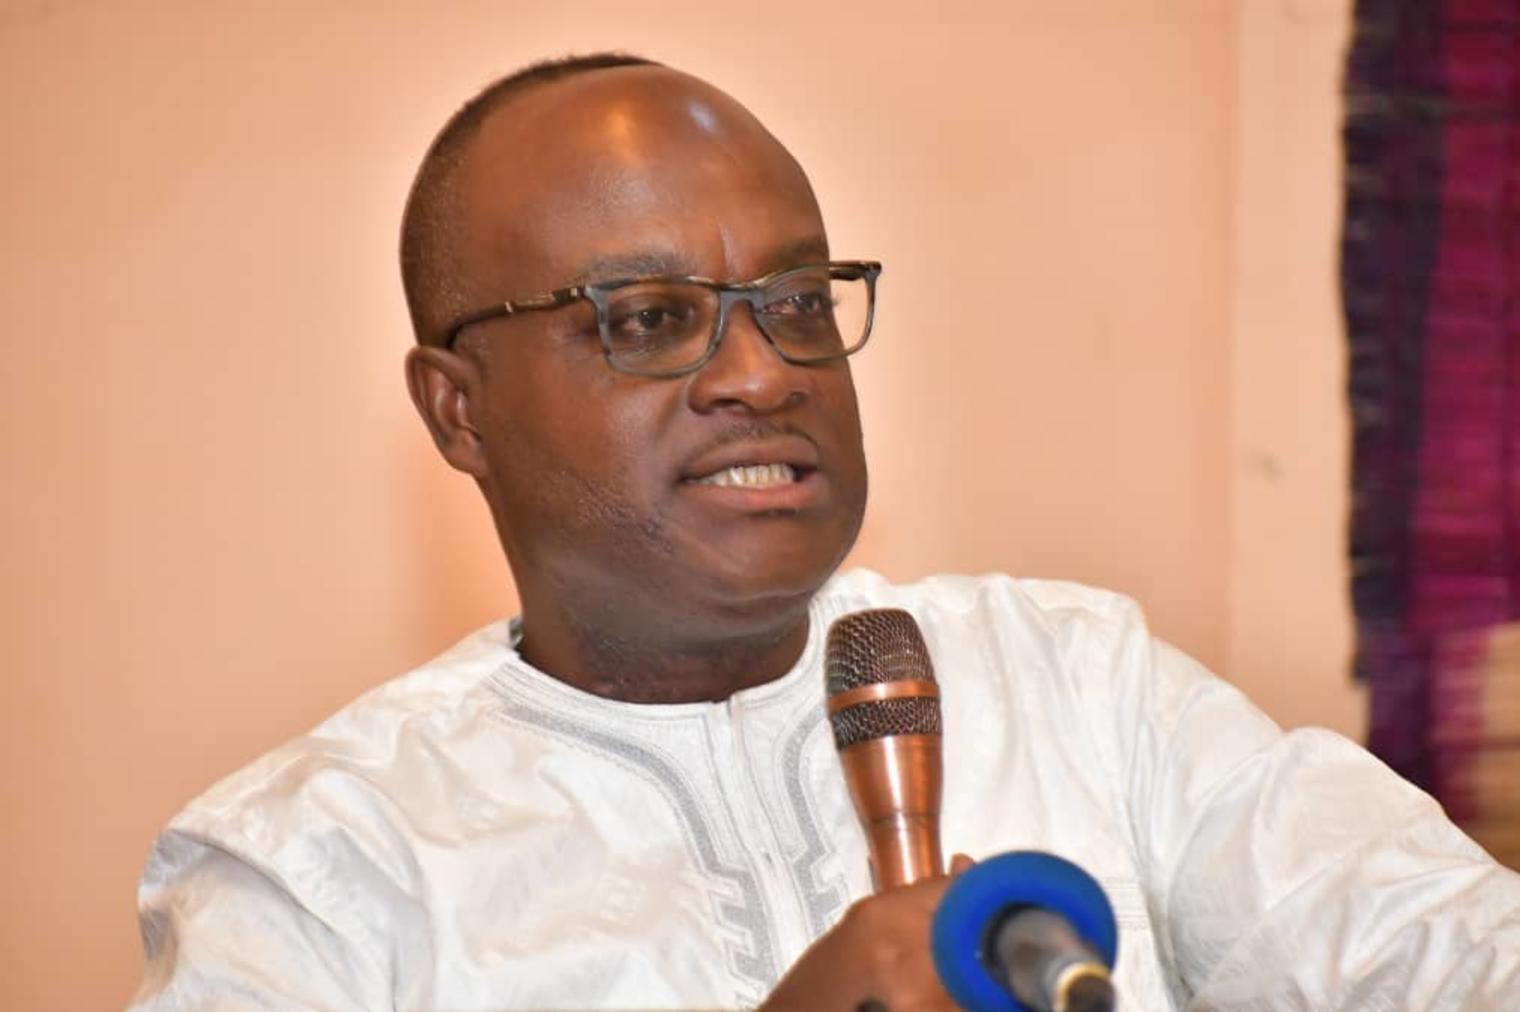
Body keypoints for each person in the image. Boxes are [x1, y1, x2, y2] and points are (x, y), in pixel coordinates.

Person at [130, 53, 1520, 1010]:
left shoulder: (1079, 685)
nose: (762, 374)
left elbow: (1445, 951)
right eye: (649, 319)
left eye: (796, 302)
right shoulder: (318, 869)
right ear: (460, 410)